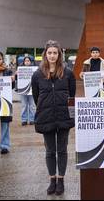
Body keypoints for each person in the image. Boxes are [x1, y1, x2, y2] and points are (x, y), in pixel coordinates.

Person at [31, 40, 76, 196]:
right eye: (49, 53)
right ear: (45, 54)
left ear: (59, 54)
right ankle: (52, 179)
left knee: (62, 150)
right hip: (46, 116)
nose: (52, 56)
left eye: (55, 53)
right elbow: (36, 97)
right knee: (50, 151)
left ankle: (61, 179)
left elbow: (72, 94)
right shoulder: (37, 74)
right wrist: (46, 107)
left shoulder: (68, 73)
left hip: (64, 116)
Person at [16, 56, 36, 126]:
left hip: (32, 90)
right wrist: (16, 74)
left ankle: (32, 119)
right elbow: (16, 79)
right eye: (25, 61)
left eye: (28, 61)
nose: (27, 62)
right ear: (23, 62)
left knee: (32, 106)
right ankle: (24, 120)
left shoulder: (35, 70)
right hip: (23, 90)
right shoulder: (20, 69)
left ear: (31, 62)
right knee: (24, 106)